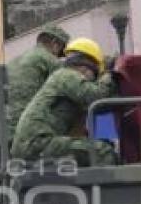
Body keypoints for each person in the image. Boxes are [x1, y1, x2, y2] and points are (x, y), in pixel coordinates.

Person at [11, 38, 118, 167]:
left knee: (92, 148)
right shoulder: (66, 76)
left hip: (34, 144)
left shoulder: (65, 80)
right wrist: (108, 74)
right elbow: (97, 96)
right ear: (86, 66)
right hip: (37, 144)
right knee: (103, 151)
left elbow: (94, 113)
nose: (92, 79)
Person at [6, 25, 70, 138]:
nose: (59, 57)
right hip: (29, 128)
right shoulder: (47, 58)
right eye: (60, 53)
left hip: (7, 127)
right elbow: (71, 82)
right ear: (55, 44)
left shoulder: (15, 60)